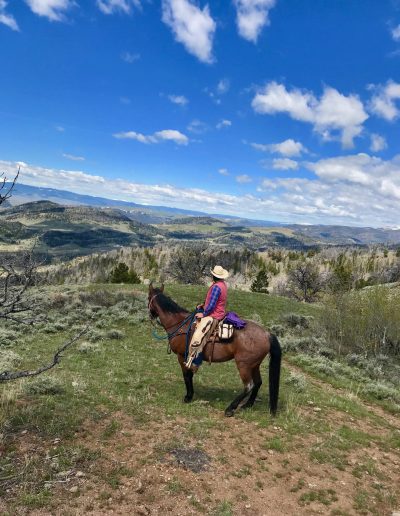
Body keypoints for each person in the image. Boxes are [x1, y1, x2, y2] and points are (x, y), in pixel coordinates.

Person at [185, 265, 229, 372]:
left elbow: (212, 306)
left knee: (199, 334)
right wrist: (203, 305)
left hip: (214, 315)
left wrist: (203, 314)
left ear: (213, 276)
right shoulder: (222, 285)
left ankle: (196, 362)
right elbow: (213, 302)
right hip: (217, 312)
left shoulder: (216, 287)